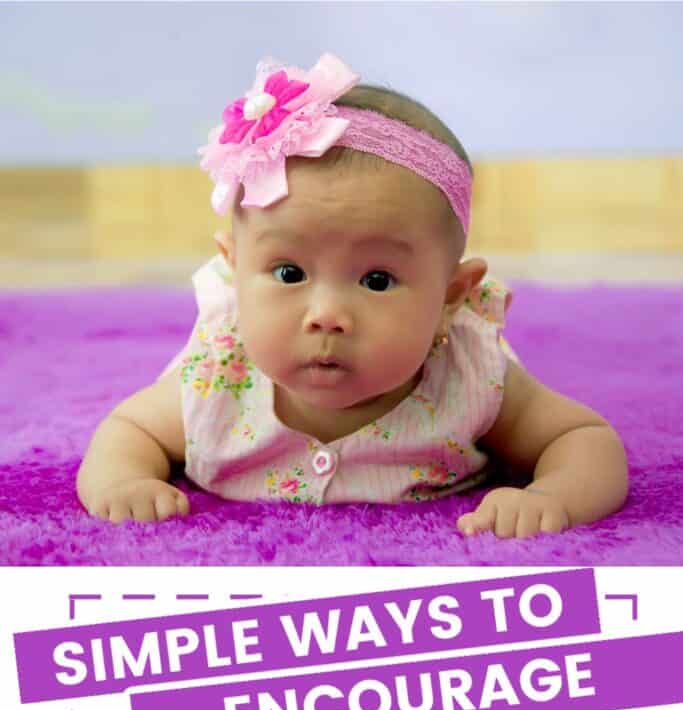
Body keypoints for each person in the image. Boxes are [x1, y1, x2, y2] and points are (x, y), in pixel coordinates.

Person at [77, 53, 628, 538]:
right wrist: (125, 479)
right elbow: (129, 430)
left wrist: (550, 498)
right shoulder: (217, 379)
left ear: (451, 296)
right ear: (236, 271)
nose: (327, 316)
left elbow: (583, 438)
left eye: (377, 281)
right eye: (289, 272)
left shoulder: (469, 376)